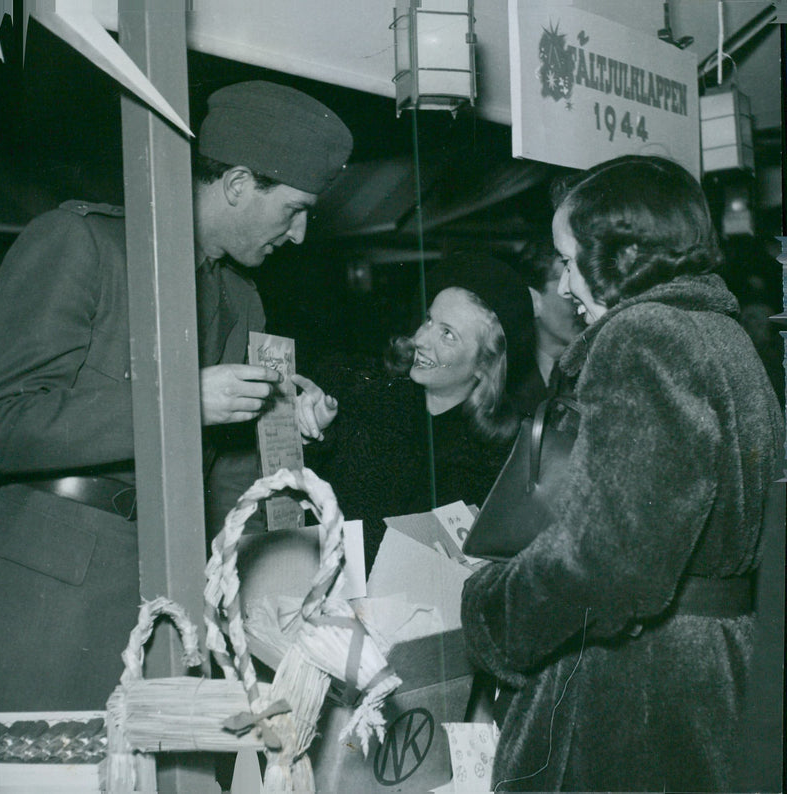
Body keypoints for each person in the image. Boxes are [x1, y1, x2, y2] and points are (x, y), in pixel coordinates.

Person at [0, 80, 352, 711]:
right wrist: (179, 401)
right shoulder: (83, 244)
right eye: (294, 209)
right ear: (237, 184)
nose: (297, 236)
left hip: (171, 599)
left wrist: (280, 426)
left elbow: (222, 476)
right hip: (46, 594)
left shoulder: (241, 298)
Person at [460, 155, 783, 792]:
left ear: (620, 256)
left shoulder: (642, 338)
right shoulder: (729, 337)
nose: (562, 285)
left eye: (569, 259)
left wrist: (490, 606)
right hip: (717, 681)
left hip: (634, 698)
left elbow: (608, 563)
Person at [303, 250, 537, 570]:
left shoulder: (503, 454)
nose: (422, 339)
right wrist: (313, 432)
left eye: (447, 335)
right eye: (429, 319)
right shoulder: (365, 399)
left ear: (485, 365)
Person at [514, 233, 582, 408]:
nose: (581, 300)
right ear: (534, 301)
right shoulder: (508, 380)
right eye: (569, 293)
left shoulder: (597, 369)